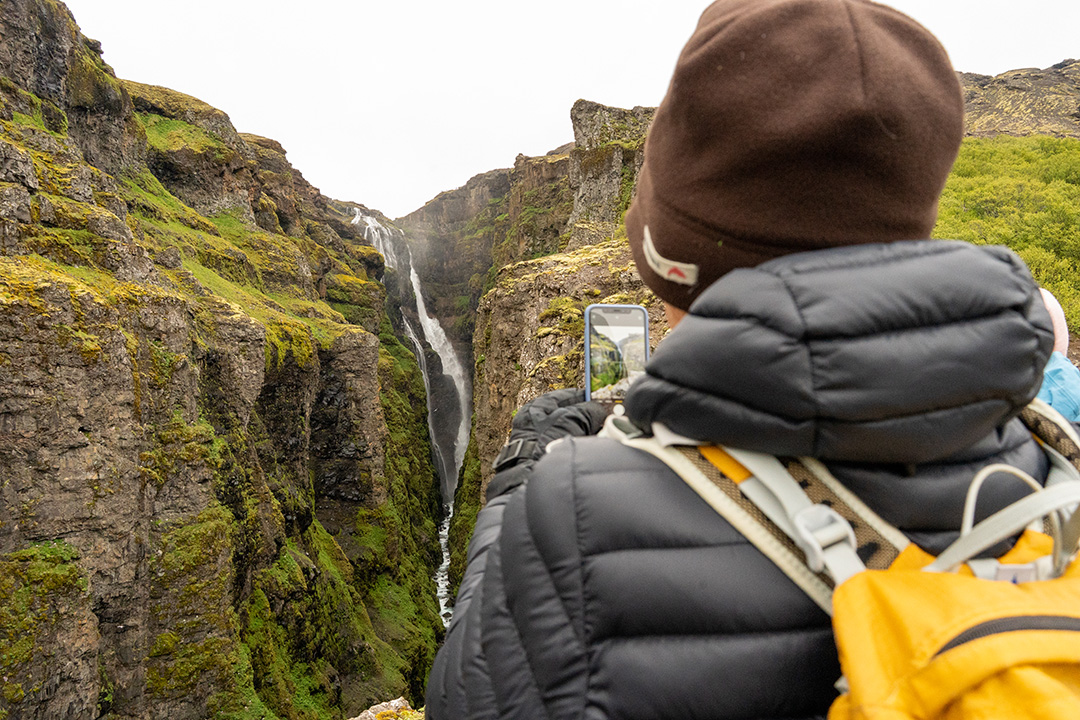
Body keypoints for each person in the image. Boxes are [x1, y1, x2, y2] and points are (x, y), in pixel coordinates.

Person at [425, 0, 1056, 718]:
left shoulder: (577, 514)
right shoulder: (1048, 453)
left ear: (672, 262)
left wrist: (523, 483)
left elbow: (469, 696)